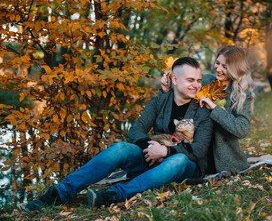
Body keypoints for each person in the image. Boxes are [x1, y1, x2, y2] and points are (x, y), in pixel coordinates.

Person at [24, 57, 213, 212]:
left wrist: (165, 152)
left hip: (184, 165)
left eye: (198, 80)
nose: (196, 85)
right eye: (190, 80)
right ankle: (59, 193)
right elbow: (136, 129)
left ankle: (112, 196)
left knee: (177, 160)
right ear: (174, 79)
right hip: (152, 159)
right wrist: (151, 148)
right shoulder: (160, 102)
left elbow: (200, 149)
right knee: (120, 148)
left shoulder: (202, 110)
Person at [161, 46, 255, 174]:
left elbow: (242, 129)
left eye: (225, 66)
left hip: (223, 159)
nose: (219, 69)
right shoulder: (205, 81)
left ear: (235, 69)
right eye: (217, 63)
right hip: (195, 150)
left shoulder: (241, 94)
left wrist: (214, 108)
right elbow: (181, 106)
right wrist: (167, 91)